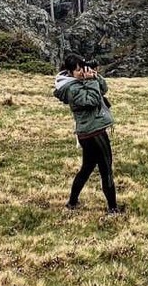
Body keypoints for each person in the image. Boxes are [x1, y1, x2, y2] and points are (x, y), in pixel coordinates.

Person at [53, 53, 124, 214]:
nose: (81, 72)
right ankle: (113, 209)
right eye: (77, 70)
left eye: (81, 68)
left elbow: (103, 90)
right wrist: (90, 81)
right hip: (94, 133)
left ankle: (72, 203)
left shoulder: (80, 82)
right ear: (70, 72)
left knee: (87, 168)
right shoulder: (72, 88)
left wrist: (95, 76)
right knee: (106, 169)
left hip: (89, 133)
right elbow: (91, 101)